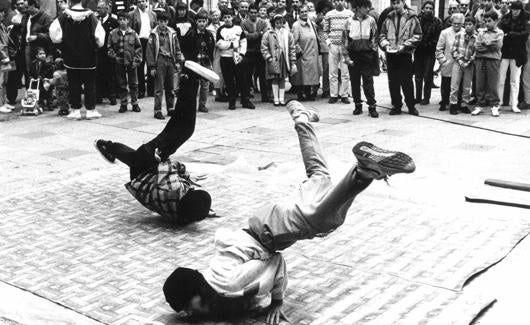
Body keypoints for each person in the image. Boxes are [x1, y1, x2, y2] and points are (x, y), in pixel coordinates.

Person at [161, 100, 415, 324]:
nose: (188, 315)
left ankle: (362, 171)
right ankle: (301, 118)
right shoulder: (216, 281)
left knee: (319, 222)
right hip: (264, 224)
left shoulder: (224, 285)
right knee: (319, 175)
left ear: (195, 292)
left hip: (268, 233)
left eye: (186, 308)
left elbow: (274, 261)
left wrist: (276, 301)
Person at [94, 62, 215, 225]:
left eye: (192, 190)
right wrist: (203, 210)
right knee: (175, 129)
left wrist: (186, 175)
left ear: (187, 195)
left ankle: (189, 79)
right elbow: (193, 210)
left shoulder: (173, 190)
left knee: (183, 130)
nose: (192, 188)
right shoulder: (181, 214)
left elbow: (171, 166)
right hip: (144, 175)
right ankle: (106, 146)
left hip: (149, 168)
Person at [49, 0, 105, 120]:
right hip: (89, 56)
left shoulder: (64, 16)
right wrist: (95, 45)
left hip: (71, 56)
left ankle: (76, 110)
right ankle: (90, 110)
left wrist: (63, 41)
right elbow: (100, 37)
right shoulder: (91, 17)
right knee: (90, 84)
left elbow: (54, 33)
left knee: (74, 83)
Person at [379, 0, 421, 116]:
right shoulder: (388, 18)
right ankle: (396, 105)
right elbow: (381, 35)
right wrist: (385, 45)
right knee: (393, 82)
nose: (395, 5)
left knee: (407, 81)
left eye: (398, 2)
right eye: (394, 3)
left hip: (405, 54)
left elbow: (418, 35)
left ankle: (411, 106)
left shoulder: (412, 18)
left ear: (403, 3)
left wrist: (405, 45)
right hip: (391, 54)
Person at [343, 0, 379, 118]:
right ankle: (357, 105)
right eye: (365, 7)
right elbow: (345, 42)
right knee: (355, 82)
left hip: (367, 56)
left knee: (368, 82)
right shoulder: (348, 22)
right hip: (354, 55)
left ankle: (372, 106)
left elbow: (375, 38)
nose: (368, 9)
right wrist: (347, 57)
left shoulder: (371, 21)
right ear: (358, 8)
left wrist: (372, 53)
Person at [146, 11, 184, 120]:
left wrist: (177, 61)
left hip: (170, 60)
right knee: (159, 88)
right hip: (160, 60)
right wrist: (152, 66)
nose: (163, 24)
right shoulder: (153, 34)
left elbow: (177, 48)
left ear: (168, 22)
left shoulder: (172, 33)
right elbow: (149, 51)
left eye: (165, 21)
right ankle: (157, 110)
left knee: (170, 87)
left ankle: (170, 108)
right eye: (161, 21)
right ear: (158, 21)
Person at [216, 8, 254, 110]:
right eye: (225, 17)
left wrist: (242, 54)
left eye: (229, 17)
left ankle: (245, 100)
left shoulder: (238, 28)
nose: (227, 19)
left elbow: (243, 42)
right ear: (222, 19)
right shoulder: (221, 30)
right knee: (229, 81)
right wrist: (231, 44)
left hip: (238, 57)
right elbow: (219, 44)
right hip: (225, 58)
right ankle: (231, 100)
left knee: (242, 79)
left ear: (232, 17)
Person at [108, 11, 142, 113]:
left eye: (124, 19)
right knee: (121, 83)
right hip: (119, 61)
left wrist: (136, 60)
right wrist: (114, 57)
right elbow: (109, 48)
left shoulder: (133, 33)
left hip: (131, 62)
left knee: (134, 83)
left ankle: (135, 103)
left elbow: (138, 48)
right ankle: (123, 103)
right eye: (120, 19)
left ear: (128, 21)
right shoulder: (113, 33)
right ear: (118, 21)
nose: (122, 22)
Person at [497, 0, 528, 113]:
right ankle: (499, 102)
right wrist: (516, 35)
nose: (515, 12)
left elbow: (525, 35)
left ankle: (514, 103)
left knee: (514, 80)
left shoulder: (524, 20)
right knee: (501, 79)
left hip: (517, 54)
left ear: (520, 10)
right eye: (514, 9)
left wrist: (509, 34)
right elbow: (499, 32)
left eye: (517, 10)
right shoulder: (505, 19)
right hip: (505, 52)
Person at [181, 10, 215, 113]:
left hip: (205, 62)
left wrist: (210, 62)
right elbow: (185, 48)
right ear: (196, 22)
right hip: (194, 62)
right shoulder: (191, 33)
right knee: (193, 84)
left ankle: (202, 105)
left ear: (207, 22)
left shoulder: (209, 35)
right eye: (199, 21)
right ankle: (191, 105)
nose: (202, 23)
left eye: (204, 21)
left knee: (205, 85)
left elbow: (211, 48)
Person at [471, 11, 504, 116]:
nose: (487, 23)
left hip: (493, 60)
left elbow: (497, 46)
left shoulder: (499, 33)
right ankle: (480, 104)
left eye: (489, 21)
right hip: (480, 60)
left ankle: (494, 105)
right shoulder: (481, 32)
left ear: (496, 21)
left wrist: (485, 44)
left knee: (492, 83)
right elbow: (477, 46)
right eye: (485, 21)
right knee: (480, 83)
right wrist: (488, 45)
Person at [261, 14, 296, 106]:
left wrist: (292, 60)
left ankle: (281, 98)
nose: (278, 24)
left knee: (282, 79)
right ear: (273, 23)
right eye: (276, 22)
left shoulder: (287, 33)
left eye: (280, 22)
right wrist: (268, 57)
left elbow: (292, 47)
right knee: (274, 78)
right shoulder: (268, 33)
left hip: (284, 58)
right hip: (273, 58)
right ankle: (275, 98)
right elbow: (264, 46)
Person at [323, 0, 353, 104]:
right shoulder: (329, 15)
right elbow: (325, 31)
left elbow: (352, 30)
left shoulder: (350, 14)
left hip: (345, 46)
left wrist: (349, 44)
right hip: (333, 45)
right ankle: (333, 95)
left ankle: (344, 94)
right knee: (332, 71)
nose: (339, 2)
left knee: (345, 72)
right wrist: (329, 43)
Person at [414, 1, 442, 106]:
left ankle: (426, 97)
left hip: (429, 52)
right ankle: (417, 97)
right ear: (423, 9)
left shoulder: (437, 22)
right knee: (418, 76)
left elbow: (437, 38)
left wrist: (428, 45)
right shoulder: (417, 20)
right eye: (427, 8)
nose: (429, 10)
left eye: (431, 8)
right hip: (418, 52)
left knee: (428, 75)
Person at [241, 3, 270, 103]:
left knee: (263, 75)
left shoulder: (263, 22)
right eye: (251, 12)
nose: (253, 14)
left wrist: (253, 35)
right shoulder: (244, 23)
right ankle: (247, 96)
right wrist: (259, 33)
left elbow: (266, 35)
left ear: (257, 13)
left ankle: (265, 96)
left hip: (260, 51)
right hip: (249, 52)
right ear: (248, 13)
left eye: (255, 12)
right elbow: (246, 37)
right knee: (247, 75)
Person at [290, 4, 319, 102]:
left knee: (310, 75)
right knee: (301, 75)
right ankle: (300, 94)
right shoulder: (296, 25)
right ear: (299, 13)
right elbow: (294, 41)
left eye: (305, 11)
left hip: (312, 52)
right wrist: (299, 50)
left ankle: (308, 93)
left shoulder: (311, 23)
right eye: (301, 12)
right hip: (303, 53)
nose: (304, 13)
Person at [436, 13, 464, 113]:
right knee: (446, 84)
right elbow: (439, 49)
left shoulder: (465, 33)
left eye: (459, 24)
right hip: (448, 63)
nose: (456, 25)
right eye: (454, 23)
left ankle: (458, 103)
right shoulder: (445, 33)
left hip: (460, 64)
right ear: (451, 22)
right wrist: (443, 61)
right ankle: (444, 102)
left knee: (459, 85)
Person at [129, 0, 156, 99]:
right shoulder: (132, 14)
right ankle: (141, 90)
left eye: (143, 1)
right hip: (139, 41)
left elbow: (155, 28)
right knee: (140, 66)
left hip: (150, 41)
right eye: (139, 1)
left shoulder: (152, 14)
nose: (141, 3)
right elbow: (130, 30)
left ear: (147, 2)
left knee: (151, 64)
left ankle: (151, 89)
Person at [449, 16, 476, 115]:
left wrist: (472, 59)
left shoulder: (476, 37)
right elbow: (453, 50)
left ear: (474, 26)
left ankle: (464, 104)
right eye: (466, 24)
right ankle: (453, 104)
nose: (468, 27)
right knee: (455, 85)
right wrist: (459, 60)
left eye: (470, 24)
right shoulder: (459, 35)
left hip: (469, 64)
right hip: (458, 62)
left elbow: (476, 51)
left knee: (467, 86)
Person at [96, 1, 119, 106]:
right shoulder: (95, 21)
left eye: (100, 8)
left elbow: (116, 37)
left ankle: (112, 96)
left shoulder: (113, 21)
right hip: (98, 53)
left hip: (109, 53)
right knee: (98, 75)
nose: (98, 10)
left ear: (106, 9)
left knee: (110, 75)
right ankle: (98, 96)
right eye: (97, 8)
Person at [314, 0, 333, 99]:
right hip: (323, 44)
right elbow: (314, 26)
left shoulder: (331, 15)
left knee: (330, 68)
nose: (325, 10)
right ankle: (325, 89)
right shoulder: (318, 16)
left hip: (331, 42)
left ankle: (331, 89)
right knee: (325, 68)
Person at [0, 8, 11, 113]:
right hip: (1, 56)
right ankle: (0, 104)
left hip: (5, 54)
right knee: (0, 81)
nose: (2, 15)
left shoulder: (2, 26)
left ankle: (4, 101)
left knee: (5, 81)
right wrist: (4, 56)